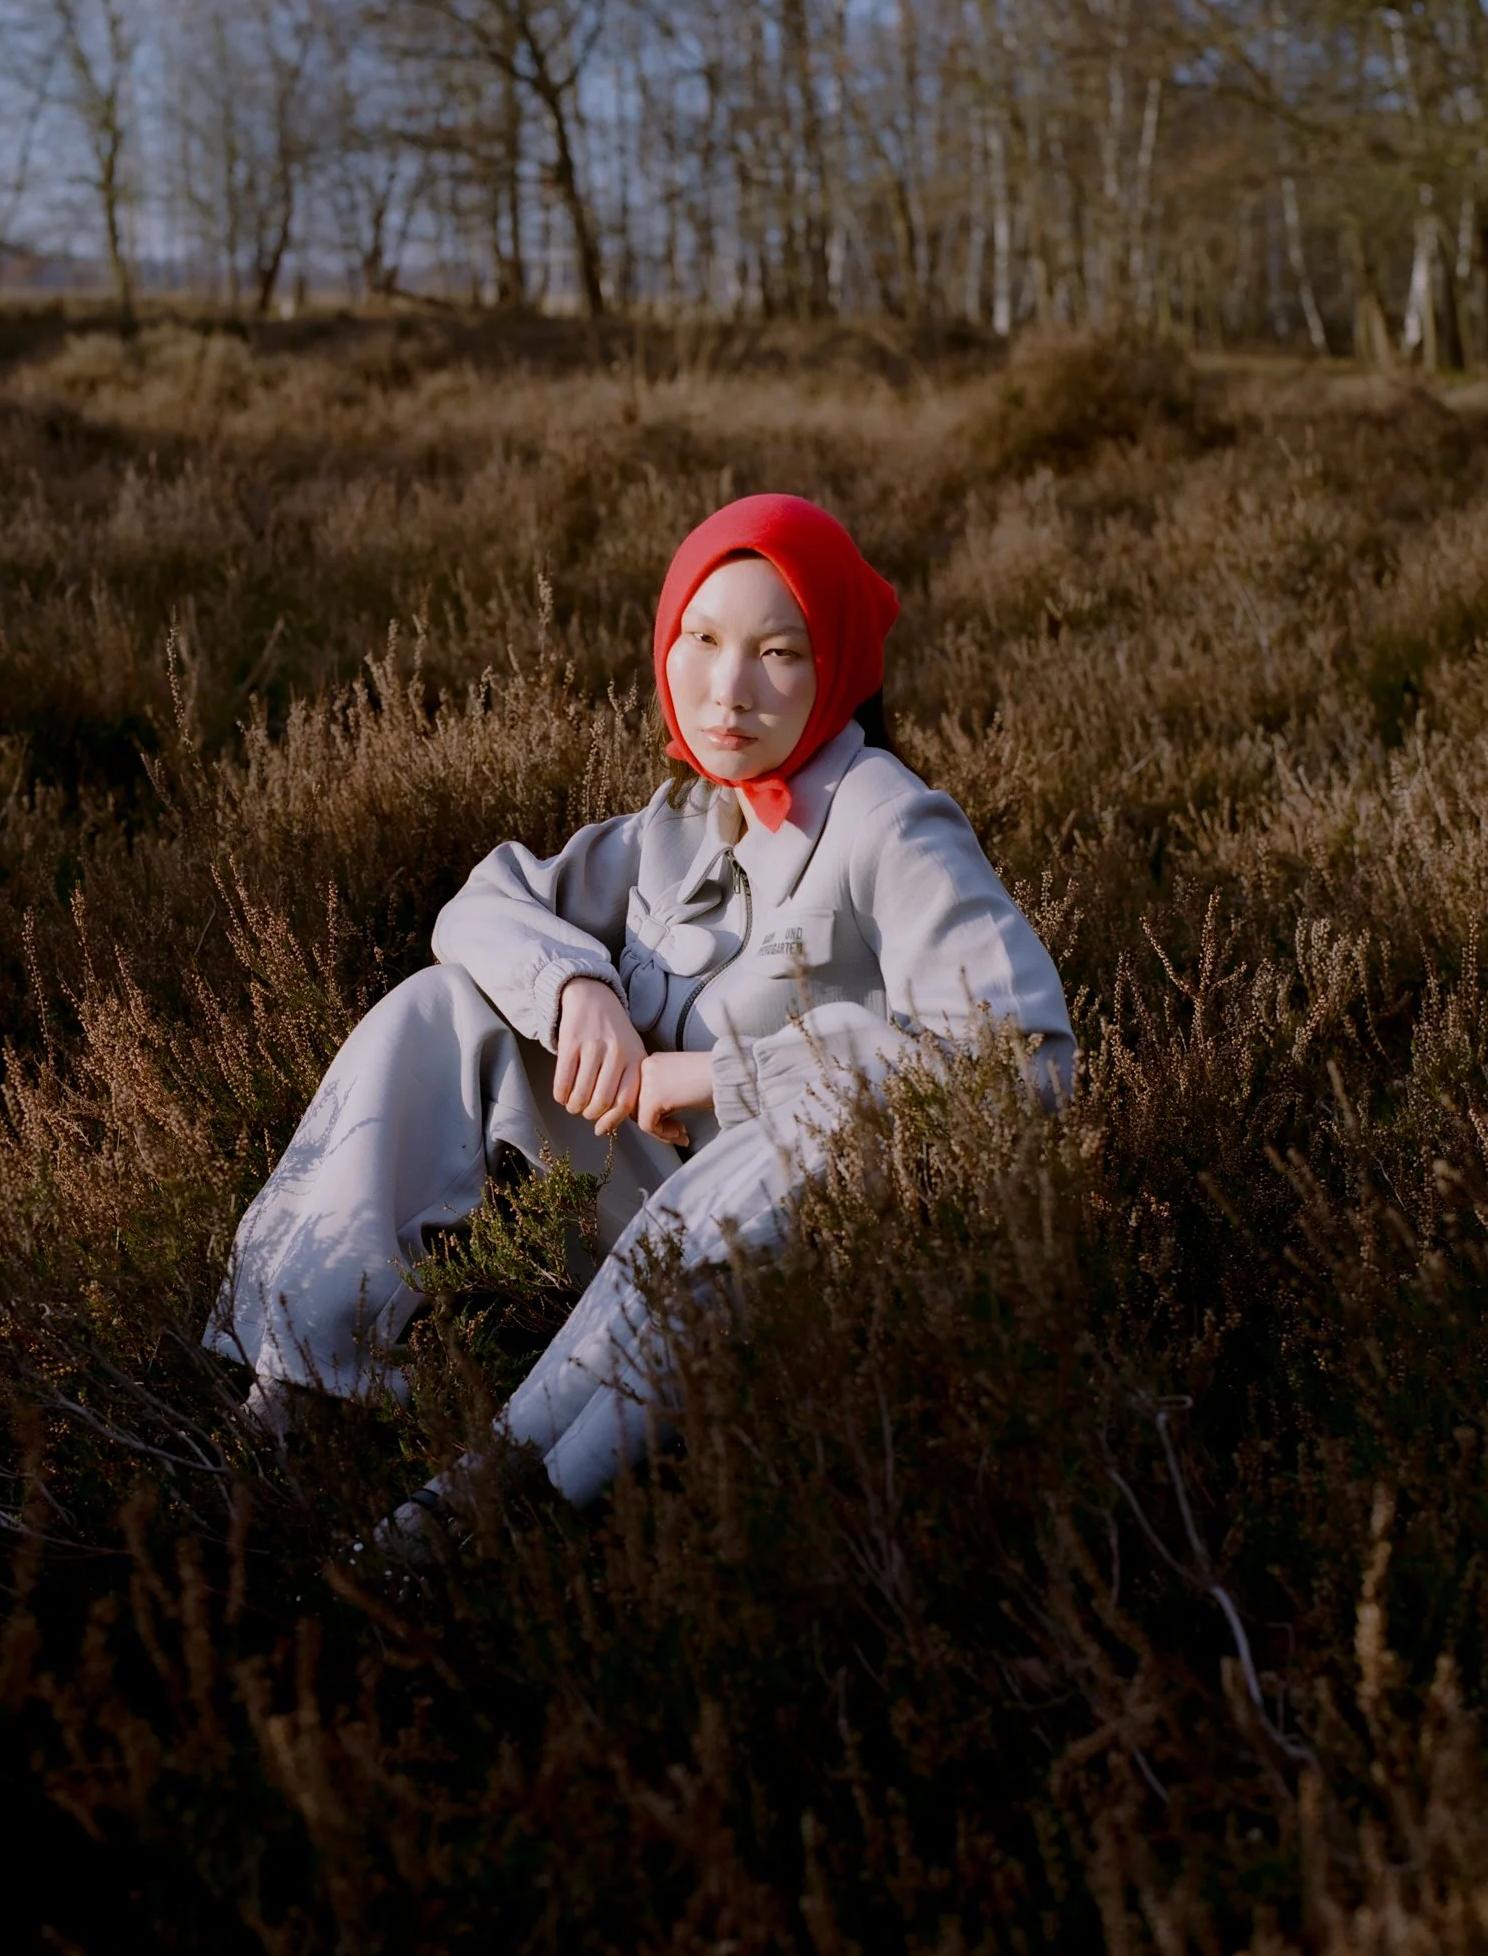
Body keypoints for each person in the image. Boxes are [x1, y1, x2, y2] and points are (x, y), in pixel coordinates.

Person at [203, 494, 1075, 1533]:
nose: (728, 689)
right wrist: (582, 992)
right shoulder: (689, 816)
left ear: (836, 664)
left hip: (804, 1242)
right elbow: (486, 904)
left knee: (785, 1146)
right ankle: (300, 1381)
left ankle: (486, 1508)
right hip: (647, 1208)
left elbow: (1023, 1057)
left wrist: (724, 1077)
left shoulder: (893, 821)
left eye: (780, 653)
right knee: (435, 1010)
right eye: (700, 639)